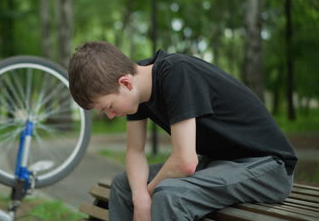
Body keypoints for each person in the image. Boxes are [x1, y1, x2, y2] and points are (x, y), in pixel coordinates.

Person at [68, 41, 297, 221]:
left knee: (169, 195)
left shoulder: (177, 73)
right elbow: (134, 152)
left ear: (126, 83)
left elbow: (185, 161)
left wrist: (146, 195)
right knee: (123, 185)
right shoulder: (138, 85)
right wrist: (139, 197)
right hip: (221, 163)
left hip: (267, 168)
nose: (109, 115)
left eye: (108, 107)